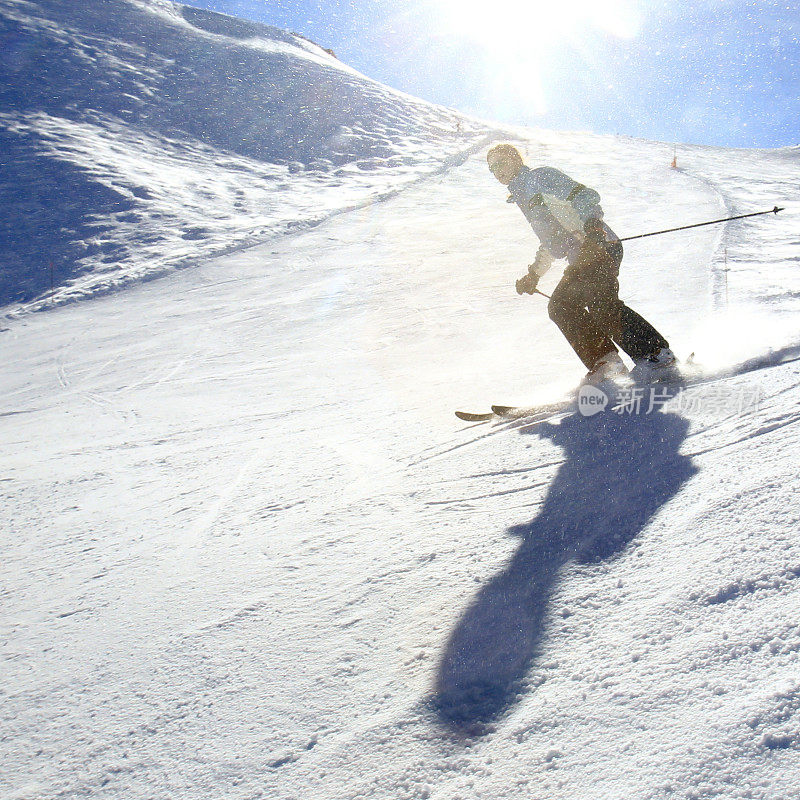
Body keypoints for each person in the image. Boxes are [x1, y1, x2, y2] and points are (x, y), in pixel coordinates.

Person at [486, 143, 676, 385]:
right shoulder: (523, 196)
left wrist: (593, 229)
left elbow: (584, 196)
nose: (497, 171)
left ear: (515, 159)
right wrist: (534, 274)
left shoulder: (539, 178)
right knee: (563, 306)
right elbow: (550, 243)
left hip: (599, 246)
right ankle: (609, 365)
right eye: (492, 168)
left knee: (594, 304)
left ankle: (657, 357)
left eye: (500, 163)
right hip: (580, 257)